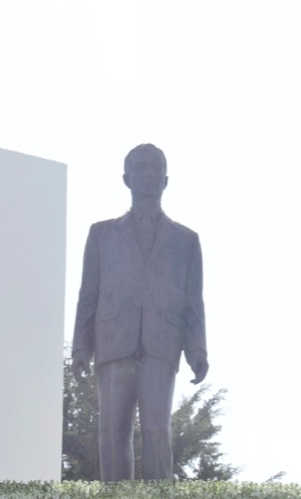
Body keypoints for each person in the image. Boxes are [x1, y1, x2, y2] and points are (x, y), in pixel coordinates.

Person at [71, 142, 208, 481]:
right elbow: (88, 293)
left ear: (165, 179)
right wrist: (80, 346)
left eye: (154, 168)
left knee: (157, 429)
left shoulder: (186, 240)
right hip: (113, 338)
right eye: (140, 168)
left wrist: (198, 348)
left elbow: (194, 300)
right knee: (112, 432)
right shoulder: (101, 234)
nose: (148, 173)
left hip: (162, 341)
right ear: (126, 178)